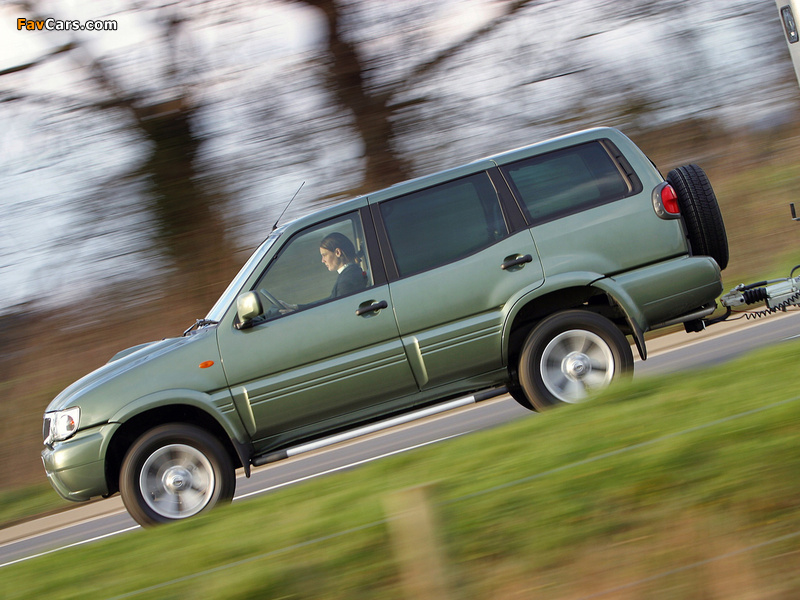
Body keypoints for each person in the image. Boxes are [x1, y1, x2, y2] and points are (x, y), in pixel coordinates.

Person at [319, 232, 367, 298]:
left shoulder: (346, 282)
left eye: (324, 255)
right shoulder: (349, 274)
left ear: (338, 252)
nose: (323, 260)